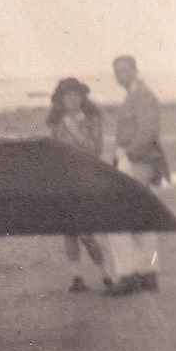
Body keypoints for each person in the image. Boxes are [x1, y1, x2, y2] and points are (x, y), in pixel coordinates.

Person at [106, 55, 168, 295]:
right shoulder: (135, 95)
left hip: (136, 163)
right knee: (140, 219)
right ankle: (147, 274)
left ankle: (129, 276)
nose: (119, 75)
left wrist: (127, 156)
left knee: (119, 219)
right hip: (136, 162)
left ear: (135, 70)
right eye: (116, 71)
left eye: (124, 70)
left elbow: (147, 131)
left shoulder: (142, 95)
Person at [46, 77, 112, 292]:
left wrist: (76, 132)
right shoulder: (56, 123)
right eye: (67, 96)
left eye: (76, 95)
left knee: (87, 232)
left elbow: (96, 149)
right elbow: (54, 155)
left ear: (82, 97)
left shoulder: (92, 119)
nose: (72, 99)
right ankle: (77, 277)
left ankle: (106, 275)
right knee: (70, 231)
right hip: (65, 180)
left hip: (87, 179)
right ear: (61, 100)